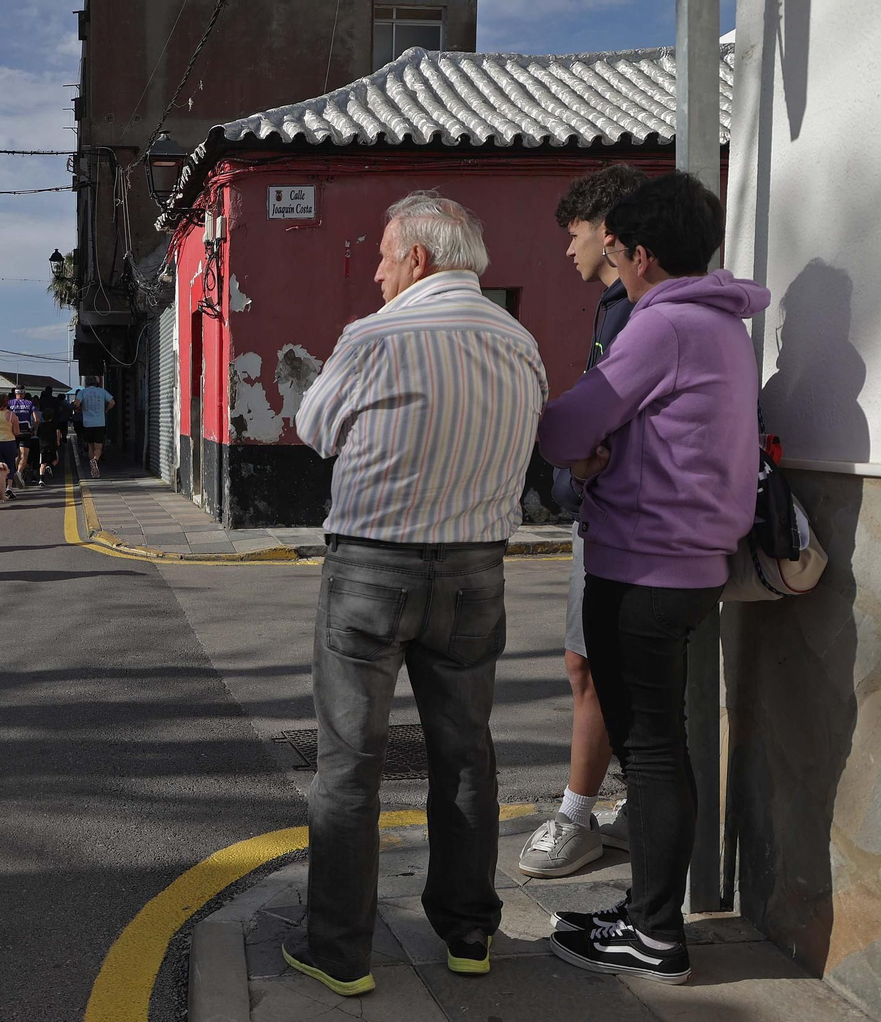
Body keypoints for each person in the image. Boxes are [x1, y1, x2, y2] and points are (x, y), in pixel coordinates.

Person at [286, 191, 548, 996]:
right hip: (475, 568)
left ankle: (340, 951)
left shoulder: (375, 337)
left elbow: (315, 431)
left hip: (372, 566)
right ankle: (469, 934)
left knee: (350, 764)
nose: (375, 271)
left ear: (420, 260)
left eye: (383, 256)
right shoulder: (521, 341)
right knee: (465, 754)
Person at [539, 172, 765, 985]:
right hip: (692, 565)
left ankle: (656, 934)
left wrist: (584, 447)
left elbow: (569, 424)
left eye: (617, 251)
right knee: (662, 747)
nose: (613, 264)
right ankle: (647, 916)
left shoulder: (658, 325)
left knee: (655, 753)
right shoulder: (721, 325)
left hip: (642, 566)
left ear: (638, 253)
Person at [513, 166, 649, 880]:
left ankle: (575, 815)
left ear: (610, 232)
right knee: (591, 664)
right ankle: (621, 803)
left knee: (589, 664)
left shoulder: (635, 311)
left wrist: (571, 471)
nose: (569, 250)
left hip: (619, 519)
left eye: (575, 235)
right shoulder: (618, 307)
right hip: (604, 513)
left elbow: (593, 421)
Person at [71, 376, 114, 478]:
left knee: (90, 445)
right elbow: (112, 402)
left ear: (86, 383)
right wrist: (106, 410)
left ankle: (92, 465)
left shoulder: (83, 392)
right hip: (100, 423)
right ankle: (95, 460)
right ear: (96, 383)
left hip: (87, 424)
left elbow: (76, 404)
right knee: (98, 447)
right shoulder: (102, 391)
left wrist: (79, 409)